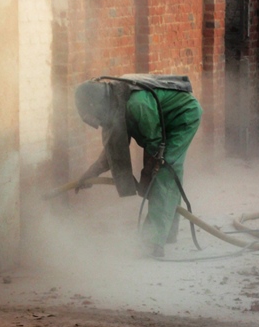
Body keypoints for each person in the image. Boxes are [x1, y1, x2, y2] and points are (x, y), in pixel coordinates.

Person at [74, 74, 203, 258]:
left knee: (166, 171)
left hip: (182, 118)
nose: (101, 123)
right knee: (163, 175)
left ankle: (153, 241)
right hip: (160, 128)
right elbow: (113, 151)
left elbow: (156, 146)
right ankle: (167, 233)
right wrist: (90, 174)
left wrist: (147, 176)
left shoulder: (136, 104)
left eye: (97, 117)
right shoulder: (117, 103)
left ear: (100, 104)